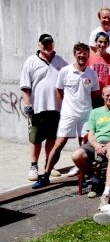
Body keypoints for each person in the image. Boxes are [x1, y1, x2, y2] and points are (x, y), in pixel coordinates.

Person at [31, 42, 100, 188]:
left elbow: (94, 95)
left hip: (86, 115)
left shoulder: (92, 73)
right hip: (68, 114)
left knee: (85, 147)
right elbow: (59, 92)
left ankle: (86, 177)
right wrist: (67, 106)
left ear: (88, 55)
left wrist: (85, 108)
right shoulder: (65, 71)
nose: (82, 55)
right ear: (75, 54)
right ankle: (46, 175)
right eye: (79, 53)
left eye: (84, 53)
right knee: (59, 144)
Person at [71, 85, 110, 209]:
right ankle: (95, 180)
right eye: (107, 95)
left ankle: (106, 192)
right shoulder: (95, 112)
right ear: (103, 96)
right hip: (96, 143)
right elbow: (91, 134)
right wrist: (96, 145)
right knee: (76, 155)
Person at [20, 34, 68, 181]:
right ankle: (33, 166)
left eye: (50, 43)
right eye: (44, 44)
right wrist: (28, 105)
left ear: (53, 44)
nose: (48, 46)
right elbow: (24, 86)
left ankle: (50, 165)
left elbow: (70, 77)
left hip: (57, 108)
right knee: (36, 139)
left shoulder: (60, 61)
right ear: (39, 45)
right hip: (37, 108)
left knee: (52, 138)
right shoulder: (31, 61)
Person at [86, 32, 110, 107]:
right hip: (92, 98)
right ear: (95, 42)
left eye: (105, 42)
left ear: (108, 44)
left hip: (109, 98)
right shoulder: (88, 59)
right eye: (100, 41)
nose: (102, 44)